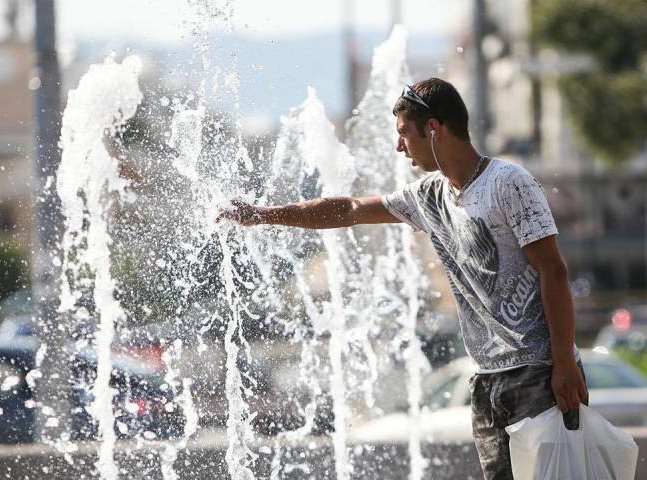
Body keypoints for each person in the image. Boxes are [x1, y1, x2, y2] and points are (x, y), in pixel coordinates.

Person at [216, 78, 588, 479]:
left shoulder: (508, 183)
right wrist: (266, 215)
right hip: (485, 380)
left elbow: (554, 270)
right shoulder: (428, 196)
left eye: (403, 134)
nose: (399, 147)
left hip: (539, 371)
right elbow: (351, 208)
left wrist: (564, 362)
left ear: (433, 129)